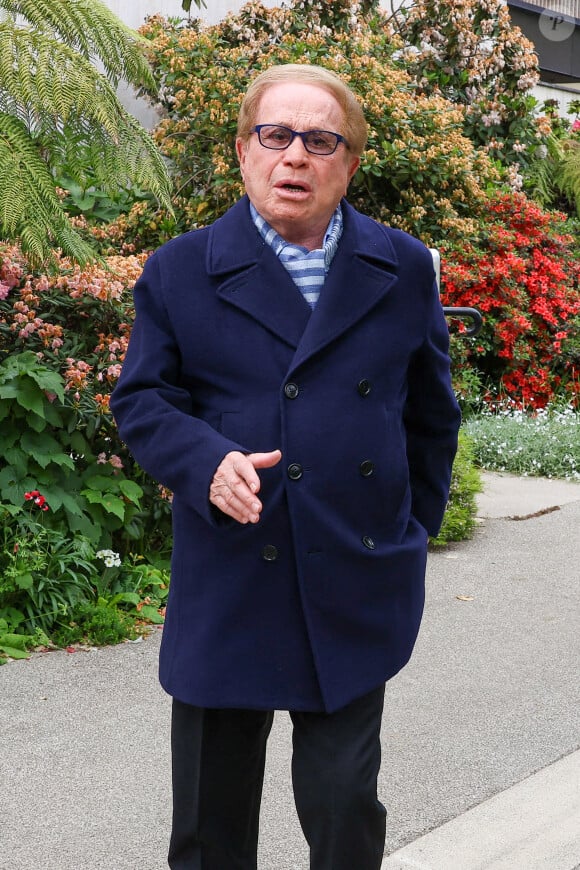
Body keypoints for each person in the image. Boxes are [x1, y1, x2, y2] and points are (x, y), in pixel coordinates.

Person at [110, 63, 461, 870]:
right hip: (231, 573)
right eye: (276, 135)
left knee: (344, 811)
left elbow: (429, 417)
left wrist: (410, 535)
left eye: (320, 140)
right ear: (243, 151)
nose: (294, 156)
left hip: (354, 572)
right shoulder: (180, 269)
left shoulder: (403, 268)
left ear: (349, 163)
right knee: (210, 824)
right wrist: (205, 462)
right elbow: (144, 400)